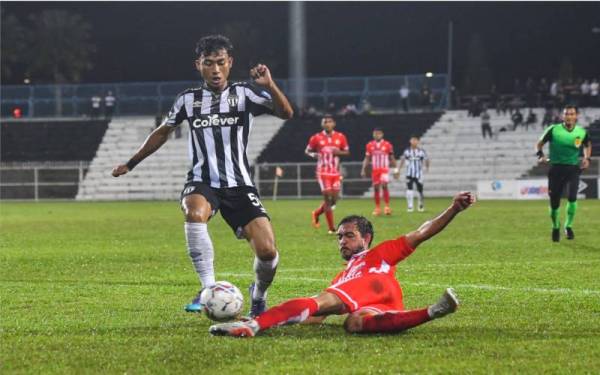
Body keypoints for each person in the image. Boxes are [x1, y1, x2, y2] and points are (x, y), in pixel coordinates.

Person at [111, 35, 294, 316]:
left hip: (240, 184)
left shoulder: (245, 94)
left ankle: (258, 295)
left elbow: (286, 113)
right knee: (194, 212)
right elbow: (163, 132)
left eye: (221, 63)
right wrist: (131, 163)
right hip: (202, 180)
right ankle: (208, 288)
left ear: (230, 63)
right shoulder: (188, 100)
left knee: (268, 252)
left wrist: (269, 85)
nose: (216, 70)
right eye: (209, 63)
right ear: (199, 65)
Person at [208, 192, 476, 338]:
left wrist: (453, 209)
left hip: (374, 282)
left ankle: (253, 327)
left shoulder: (381, 253)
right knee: (354, 323)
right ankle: (432, 311)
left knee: (320, 299)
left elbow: (422, 231)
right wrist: (278, 322)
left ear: (366, 238)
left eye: (349, 235)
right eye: (339, 237)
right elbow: (316, 317)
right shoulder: (342, 276)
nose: (342, 242)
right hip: (386, 303)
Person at [535, 105, 592, 242]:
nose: (569, 116)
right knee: (554, 203)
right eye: (567, 114)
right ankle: (555, 226)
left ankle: (568, 226)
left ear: (576, 116)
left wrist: (586, 158)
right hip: (556, 169)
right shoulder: (553, 130)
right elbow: (539, 144)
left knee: (572, 197)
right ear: (563, 116)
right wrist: (540, 155)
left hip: (573, 169)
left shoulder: (581, 132)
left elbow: (587, 145)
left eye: (572, 114)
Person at [306, 115, 350, 234]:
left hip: (335, 172)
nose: (327, 124)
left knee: (334, 199)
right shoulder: (316, 137)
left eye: (329, 122)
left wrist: (339, 152)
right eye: (325, 122)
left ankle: (316, 213)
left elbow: (347, 151)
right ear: (322, 124)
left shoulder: (340, 137)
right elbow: (307, 150)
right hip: (322, 171)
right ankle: (331, 228)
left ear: (333, 124)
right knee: (327, 196)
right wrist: (314, 155)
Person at [360, 128, 398, 216]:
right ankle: (377, 208)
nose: (377, 135)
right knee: (376, 188)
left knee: (384, 185)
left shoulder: (387, 144)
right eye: (375, 134)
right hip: (375, 170)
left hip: (384, 169)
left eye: (378, 134)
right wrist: (363, 169)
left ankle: (387, 207)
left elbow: (392, 157)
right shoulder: (370, 145)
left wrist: (396, 169)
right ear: (373, 135)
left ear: (382, 134)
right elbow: (367, 158)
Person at [399, 136, 429, 212]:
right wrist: (399, 169)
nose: (414, 141)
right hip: (409, 173)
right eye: (413, 140)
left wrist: (426, 168)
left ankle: (420, 205)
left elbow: (426, 159)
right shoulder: (407, 151)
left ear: (418, 141)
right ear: (410, 141)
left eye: (416, 140)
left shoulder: (421, 151)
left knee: (420, 190)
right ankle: (410, 206)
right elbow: (402, 160)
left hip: (419, 173)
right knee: (409, 189)